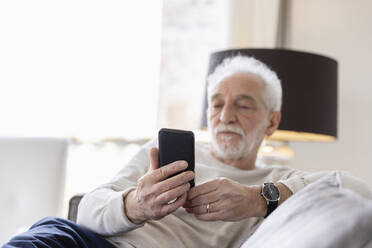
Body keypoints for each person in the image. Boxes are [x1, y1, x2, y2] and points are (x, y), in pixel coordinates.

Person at [4, 56, 372, 248]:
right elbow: (87, 209)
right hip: (92, 243)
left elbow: (358, 193)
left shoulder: (278, 180)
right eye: (216, 104)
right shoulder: (163, 150)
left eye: (243, 106)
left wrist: (258, 199)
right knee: (47, 235)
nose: (225, 116)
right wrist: (136, 204)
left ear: (272, 122)